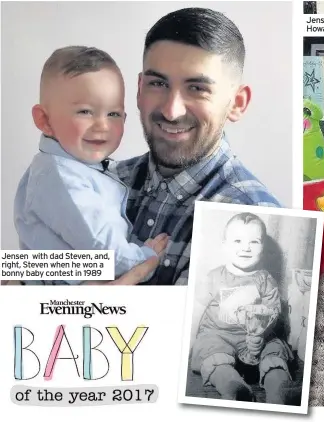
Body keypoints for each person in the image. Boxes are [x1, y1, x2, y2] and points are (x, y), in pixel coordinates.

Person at [110, 7, 281, 286]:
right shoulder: (101, 181)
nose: (172, 111)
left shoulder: (248, 218)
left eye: (197, 88)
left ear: (237, 103)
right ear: (139, 90)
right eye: (158, 83)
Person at [13, 46, 169, 285]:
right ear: (45, 120)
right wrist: (144, 257)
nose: (102, 126)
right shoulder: (60, 177)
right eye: (85, 111)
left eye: (114, 114)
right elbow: (102, 249)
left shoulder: (84, 169)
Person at [189, 212, 300, 404]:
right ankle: (232, 386)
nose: (245, 248)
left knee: (273, 350)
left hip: (259, 337)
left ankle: (279, 390)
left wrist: (259, 337)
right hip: (218, 334)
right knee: (211, 351)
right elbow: (196, 310)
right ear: (225, 245)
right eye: (238, 241)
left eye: (254, 242)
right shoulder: (214, 277)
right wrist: (190, 341)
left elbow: (272, 312)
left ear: (263, 247)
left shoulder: (265, 280)